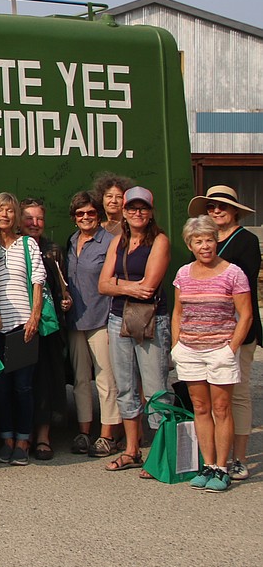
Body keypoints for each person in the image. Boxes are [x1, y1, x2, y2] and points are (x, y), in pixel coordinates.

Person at [171, 215, 253, 492]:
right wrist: (176, 346)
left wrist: (230, 349)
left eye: (209, 239)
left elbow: (246, 315)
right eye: (198, 241)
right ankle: (207, 465)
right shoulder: (182, 273)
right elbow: (178, 313)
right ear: (190, 244)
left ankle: (222, 467)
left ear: (216, 240)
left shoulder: (233, 273)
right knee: (201, 408)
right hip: (190, 350)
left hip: (220, 350)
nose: (204, 245)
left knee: (221, 409)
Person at [187, 185, 260, 480]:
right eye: (211, 207)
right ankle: (215, 459)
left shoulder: (247, 241)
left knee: (237, 397)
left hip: (236, 333)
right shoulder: (206, 241)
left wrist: (232, 342)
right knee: (210, 402)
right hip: (205, 336)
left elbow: (244, 291)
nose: (216, 211)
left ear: (234, 211)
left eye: (222, 207)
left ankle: (238, 457)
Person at [98, 186, 170, 473]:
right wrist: (128, 287)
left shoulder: (160, 241)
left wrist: (118, 285)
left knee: (155, 391)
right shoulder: (119, 242)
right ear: (124, 213)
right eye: (131, 208)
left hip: (151, 319)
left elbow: (150, 287)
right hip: (119, 319)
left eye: (142, 208)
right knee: (125, 387)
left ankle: (161, 454)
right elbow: (102, 285)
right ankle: (132, 450)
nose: (136, 213)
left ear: (151, 212)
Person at [0, 192, 45, 467]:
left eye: (9, 211)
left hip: (23, 324)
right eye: (0, 210)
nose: (4, 215)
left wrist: (35, 317)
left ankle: (23, 440)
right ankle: (7, 439)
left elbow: (38, 280)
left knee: (22, 387)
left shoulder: (27, 244)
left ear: (17, 216)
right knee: (0, 388)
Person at [63, 191, 120, 458]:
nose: (85, 217)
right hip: (75, 322)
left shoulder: (111, 242)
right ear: (74, 219)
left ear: (98, 215)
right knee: (80, 380)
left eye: (90, 213)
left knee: (106, 380)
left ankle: (107, 435)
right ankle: (84, 432)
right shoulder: (72, 241)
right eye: (80, 214)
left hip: (102, 319)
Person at [21, 198, 68, 461]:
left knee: (46, 381)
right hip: (21, 322)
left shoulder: (53, 250)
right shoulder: (14, 246)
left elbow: (64, 285)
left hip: (49, 326)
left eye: (39, 219)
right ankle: (23, 433)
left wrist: (66, 298)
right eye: (29, 218)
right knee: (24, 382)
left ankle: (43, 436)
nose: (34, 223)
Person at [94, 172, 132, 236]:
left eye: (119, 197)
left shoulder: (130, 227)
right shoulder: (96, 227)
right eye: (109, 196)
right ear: (101, 198)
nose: (114, 201)